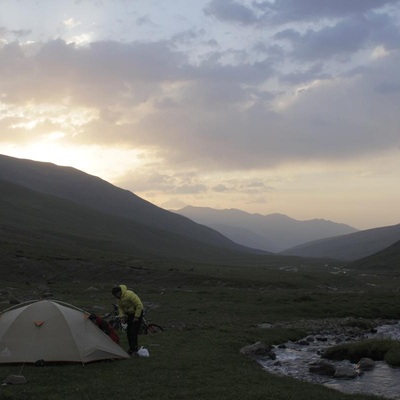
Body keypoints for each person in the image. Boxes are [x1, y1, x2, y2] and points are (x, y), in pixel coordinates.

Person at [111, 284, 144, 355]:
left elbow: (139, 305)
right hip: (130, 314)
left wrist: (136, 317)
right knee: (129, 333)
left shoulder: (129, 294)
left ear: (119, 292)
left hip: (137, 313)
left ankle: (134, 349)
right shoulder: (120, 299)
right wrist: (122, 316)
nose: (116, 297)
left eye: (116, 294)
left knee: (133, 332)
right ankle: (131, 349)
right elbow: (120, 308)